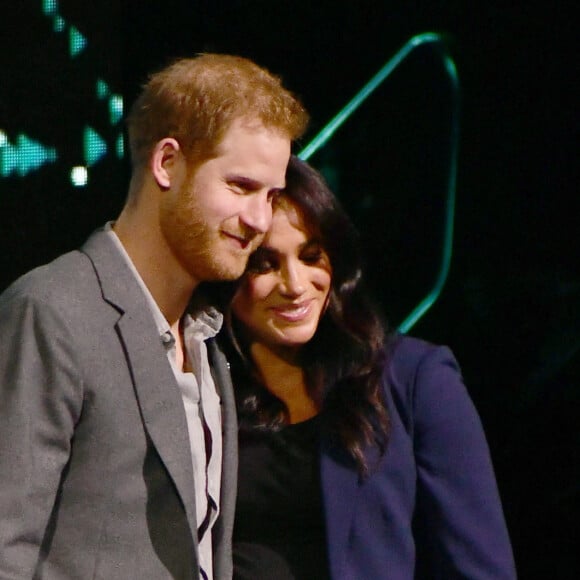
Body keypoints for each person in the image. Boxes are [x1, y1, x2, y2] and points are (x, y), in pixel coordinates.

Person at [0, 55, 308, 579]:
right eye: (241, 186)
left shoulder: (208, 342)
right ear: (167, 163)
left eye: (272, 195)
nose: (260, 219)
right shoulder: (53, 311)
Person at [219, 156, 517, 579]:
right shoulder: (203, 387)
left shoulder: (415, 379)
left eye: (311, 255)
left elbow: (479, 568)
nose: (295, 285)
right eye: (265, 264)